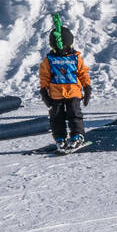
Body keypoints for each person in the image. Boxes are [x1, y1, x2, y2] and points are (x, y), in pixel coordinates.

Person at [38, 17, 91, 152]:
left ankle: (77, 135)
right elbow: (44, 76)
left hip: (73, 92)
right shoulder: (49, 60)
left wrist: (87, 87)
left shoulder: (75, 58)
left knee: (74, 115)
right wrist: (44, 91)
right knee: (56, 117)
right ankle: (60, 138)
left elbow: (82, 73)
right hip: (56, 94)